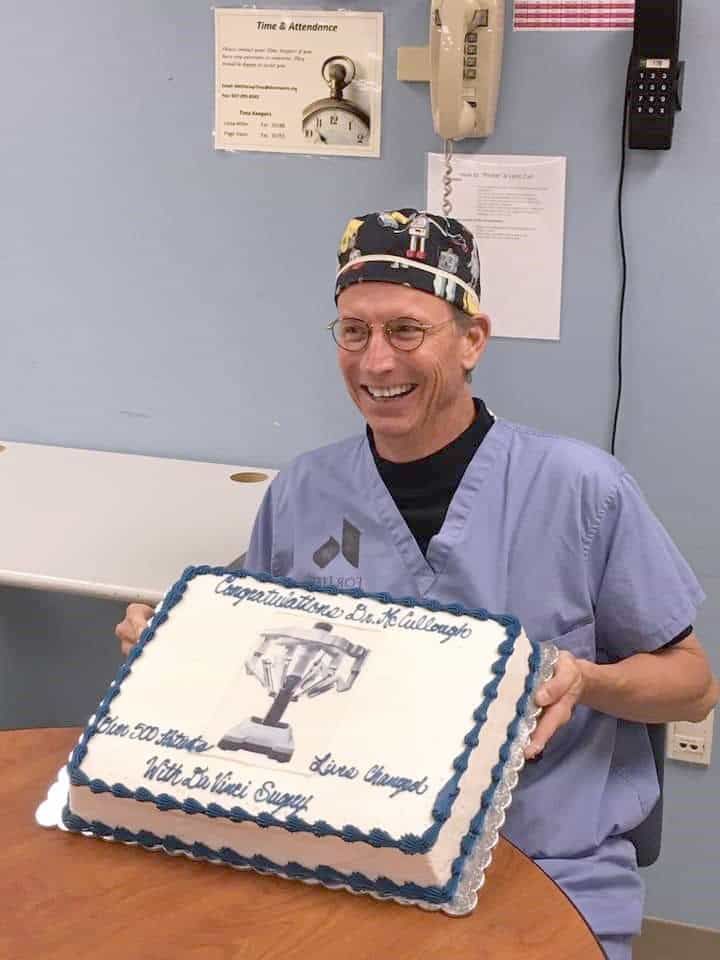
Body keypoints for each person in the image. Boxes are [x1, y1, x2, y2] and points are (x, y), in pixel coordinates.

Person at [117, 209, 718, 959]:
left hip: (538, 861)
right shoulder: (304, 492)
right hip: (335, 850)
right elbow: (255, 666)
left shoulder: (579, 490)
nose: (376, 363)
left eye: (406, 331)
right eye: (353, 331)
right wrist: (178, 648)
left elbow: (693, 685)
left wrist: (587, 680)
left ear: (472, 340)